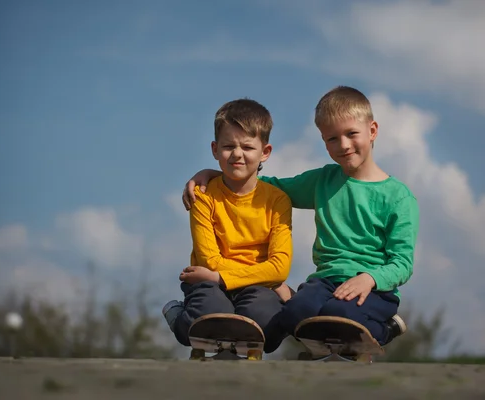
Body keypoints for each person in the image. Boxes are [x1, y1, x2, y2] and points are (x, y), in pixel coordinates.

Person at [182, 86, 418, 352]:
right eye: (331, 138)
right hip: (326, 282)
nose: (343, 145)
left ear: (372, 131)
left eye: (352, 134)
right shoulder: (322, 181)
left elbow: (402, 263)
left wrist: (370, 278)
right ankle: (328, 337)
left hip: (373, 288)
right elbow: (260, 186)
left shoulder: (399, 197)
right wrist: (214, 174)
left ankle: (385, 329)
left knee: (339, 314)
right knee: (293, 314)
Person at [163, 98, 294, 354]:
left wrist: (270, 277)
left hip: (255, 288)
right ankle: (178, 317)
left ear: (265, 152)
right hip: (210, 282)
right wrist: (269, 277)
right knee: (207, 318)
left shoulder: (278, 200)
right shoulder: (202, 195)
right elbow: (209, 261)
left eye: (247, 146)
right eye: (228, 146)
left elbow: (281, 266)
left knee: (267, 324)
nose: (237, 154)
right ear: (214, 149)